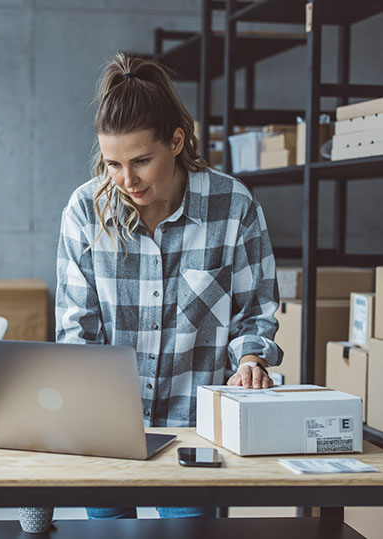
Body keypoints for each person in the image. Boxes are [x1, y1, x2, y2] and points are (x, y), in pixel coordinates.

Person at [55, 53, 283, 520]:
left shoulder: (232, 207)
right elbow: (77, 328)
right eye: (113, 164)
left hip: (197, 432)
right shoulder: (85, 212)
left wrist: (251, 359)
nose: (126, 180)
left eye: (141, 161)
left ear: (176, 141)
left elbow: (254, 311)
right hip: (109, 432)